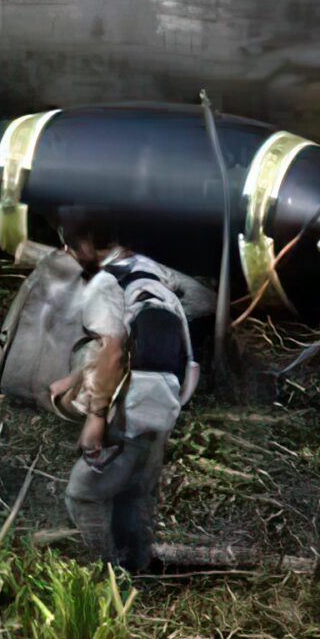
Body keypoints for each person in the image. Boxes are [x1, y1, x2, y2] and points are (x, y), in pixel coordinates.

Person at [45, 207, 198, 573]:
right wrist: (73, 380)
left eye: (69, 246)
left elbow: (113, 349)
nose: (69, 254)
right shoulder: (149, 271)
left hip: (131, 409)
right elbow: (135, 337)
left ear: (84, 242)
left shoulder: (104, 283)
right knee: (135, 495)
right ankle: (138, 576)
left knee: (82, 495)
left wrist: (96, 418)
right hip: (165, 403)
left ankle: (106, 576)